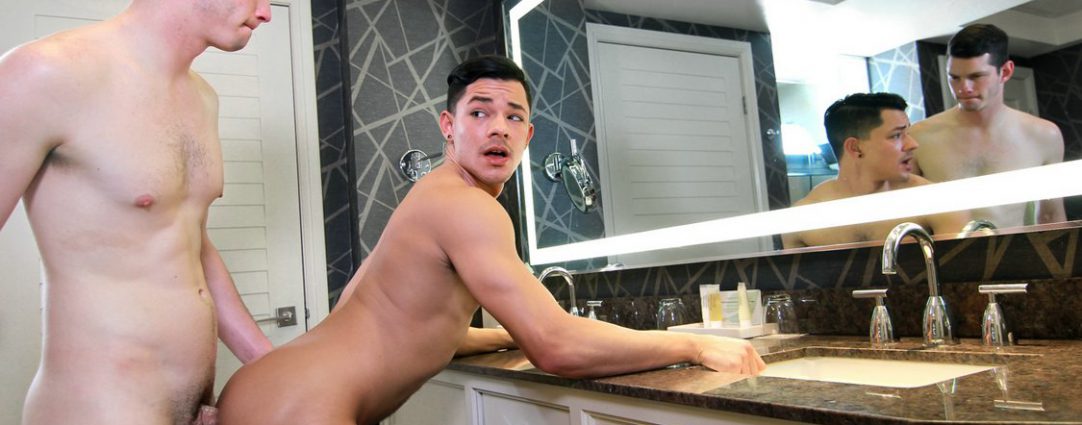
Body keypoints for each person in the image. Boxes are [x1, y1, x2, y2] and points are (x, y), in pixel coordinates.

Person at [216, 55, 766, 425]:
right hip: (299, 408)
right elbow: (556, 346)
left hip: (268, 390)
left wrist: (504, 336)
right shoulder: (469, 208)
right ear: (448, 126)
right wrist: (693, 345)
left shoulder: (430, 196)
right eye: (479, 112)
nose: (498, 127)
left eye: (513, 116)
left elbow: (417, 325)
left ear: (528, 135)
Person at [0, 1, 276, 424]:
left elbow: (190, 245)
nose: (266, 12)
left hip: (198, 408)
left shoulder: (203, 97)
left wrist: (268, 363)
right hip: (99, 408)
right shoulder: (44, 72)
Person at [910, 24, 1065, 228]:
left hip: (1014, 247)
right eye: (954, 77)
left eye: (976, 76)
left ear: (1006, 71)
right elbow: (908, 218)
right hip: (945, 248)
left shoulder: (1044, 135)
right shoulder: (919, 137)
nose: (964, 88)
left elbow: (1051, 216)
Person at [783, 93, 970, 248]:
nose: (912, 144)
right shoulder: (802, 220)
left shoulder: (938, 202)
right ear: (855, 148)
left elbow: (961, 278)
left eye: (908, 133)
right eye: (896, 135)